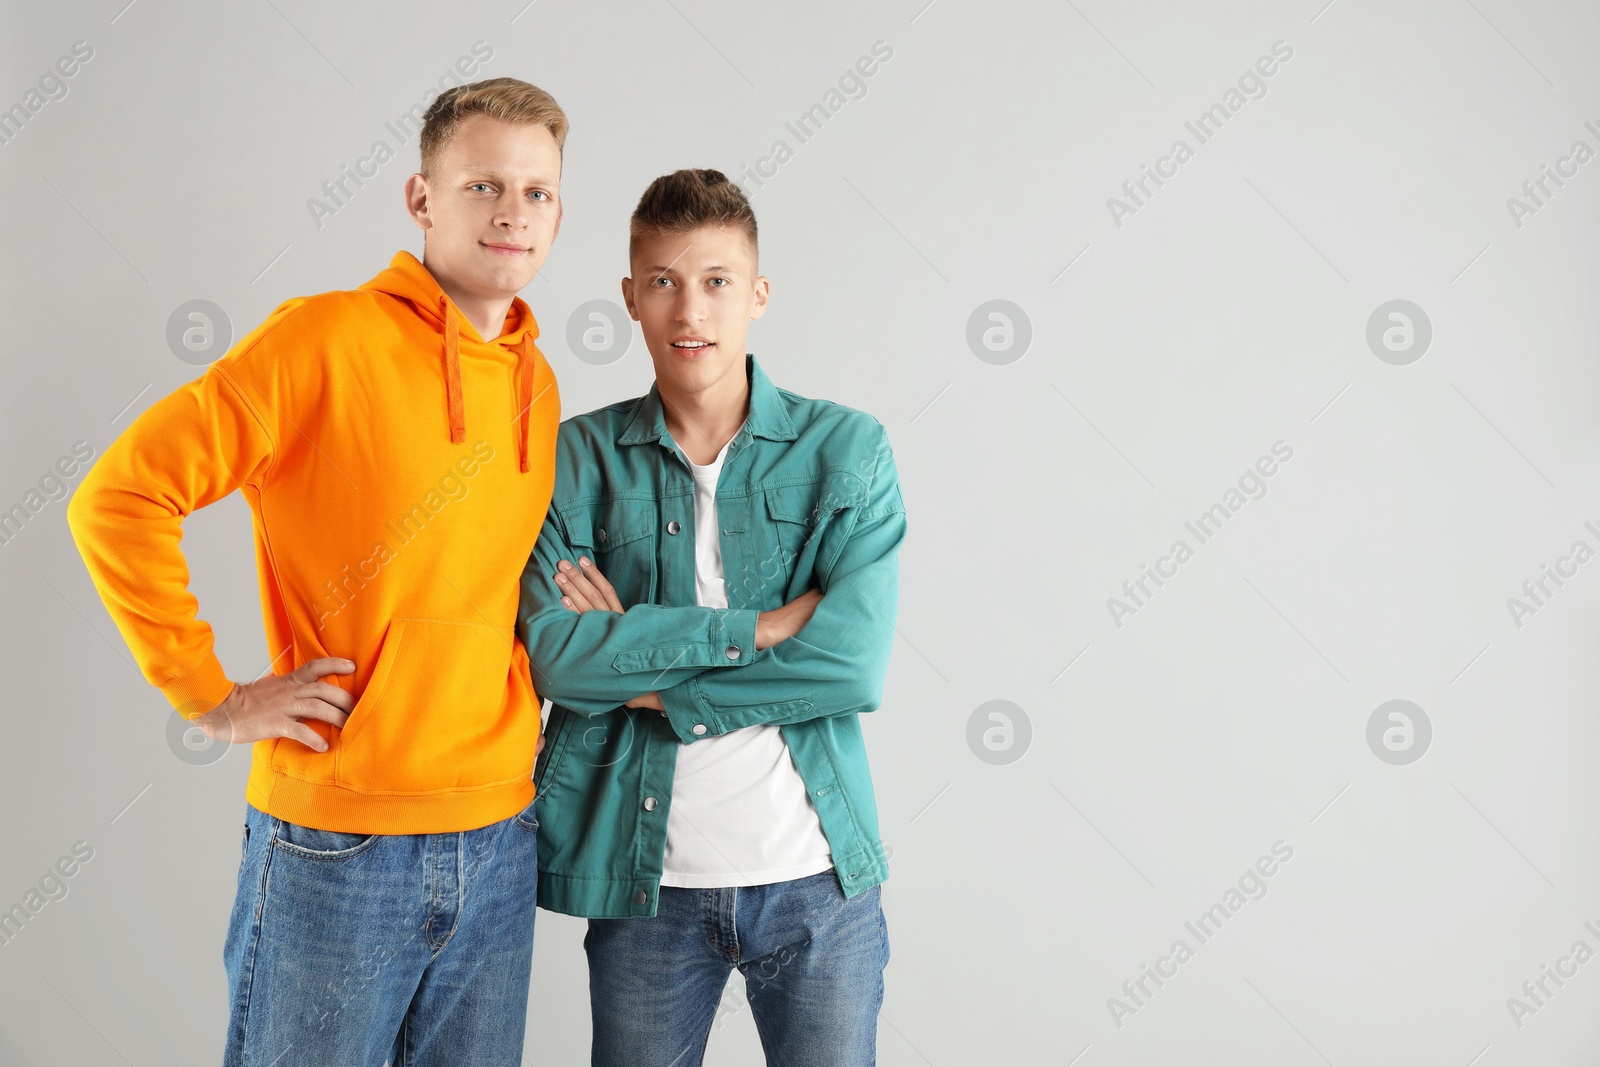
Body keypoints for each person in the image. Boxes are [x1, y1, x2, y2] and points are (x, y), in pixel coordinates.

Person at [66, 76, 567, 1065]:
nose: (513, 211)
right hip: (338, 844)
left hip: (501, 830)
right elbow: (116, 498)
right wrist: (212, 697)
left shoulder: (536, 383)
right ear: (421, 199)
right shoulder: (322, 341)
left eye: (539, 192)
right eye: (483, 185)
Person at [517, 168, 906, 1067]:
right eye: (664, 281)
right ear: (631, 298)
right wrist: (758, 629)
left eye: (717, 281)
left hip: (815, 878)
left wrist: (650, 682)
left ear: (758, 294)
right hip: (647, 886)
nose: (690, 308)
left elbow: (850, 666)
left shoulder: (846, 449)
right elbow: (555, 658)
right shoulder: (577, 456)